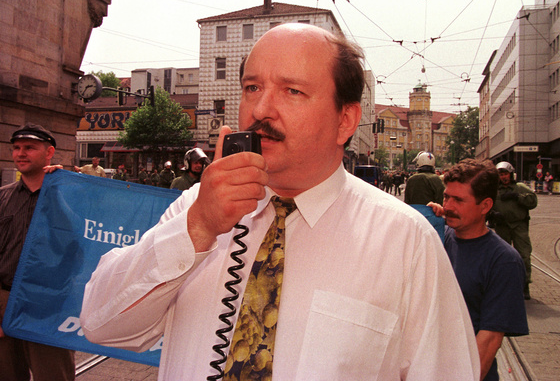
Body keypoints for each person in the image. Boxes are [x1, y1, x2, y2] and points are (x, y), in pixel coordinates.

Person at [80, 24, 479, 380]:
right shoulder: (197, 208)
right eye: (252, 88)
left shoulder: (406, 242)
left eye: (292, 91)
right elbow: (101, 325)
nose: (260, 109)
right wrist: (197, 229)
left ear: (345, 120)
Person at [0, 123, 75, 381]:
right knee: (4, 375)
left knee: (54, 375)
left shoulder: (71, 196)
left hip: (48, 304)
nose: (21, 153)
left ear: (49, 152)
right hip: (1, 301)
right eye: (16, 148)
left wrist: (63, 189)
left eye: (30, 147)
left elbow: (82, 248)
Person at [428, 159, 528, 381]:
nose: (449, 206)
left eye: (459, 200)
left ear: (485, 206)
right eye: (446, 197)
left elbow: (489, 341)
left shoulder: (504, 261)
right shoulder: (439, 237)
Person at [489, 161, 537, 299]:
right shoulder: (494, 190)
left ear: (511, 175)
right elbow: (486, 205)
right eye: (500, 175)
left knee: (524, 256)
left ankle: (524, 285)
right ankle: (504, 284)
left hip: (519, 226)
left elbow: (533, 201)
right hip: (502, 226)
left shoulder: (520, 188)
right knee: (502, 257)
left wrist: (517, 197)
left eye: (505, 174)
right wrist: (492, 215)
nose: (503, 177)